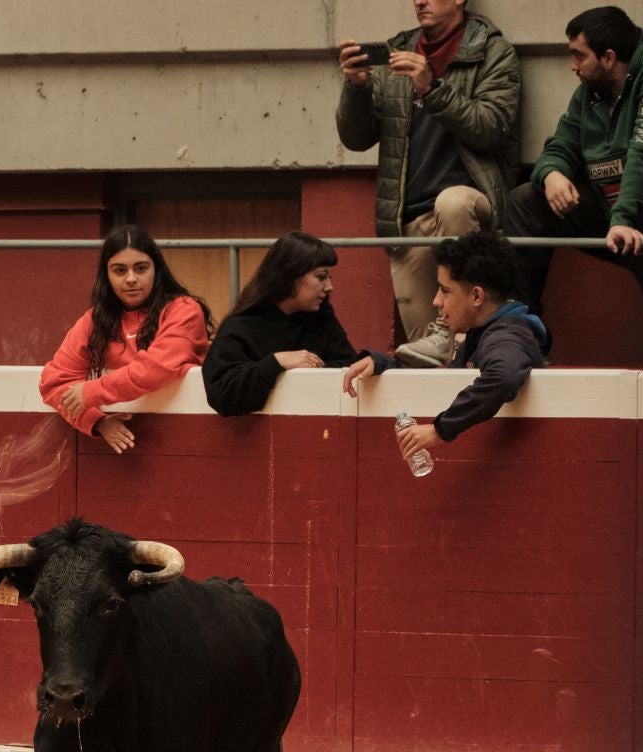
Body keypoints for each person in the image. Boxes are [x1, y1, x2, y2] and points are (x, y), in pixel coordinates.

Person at [503, 5, 643, 368]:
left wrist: (625, 217)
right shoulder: (590, 90)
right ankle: (522, 339)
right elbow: (561, 144)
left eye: (578, 55)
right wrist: (552, 174)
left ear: (609, 56)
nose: (573, 65)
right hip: (613, 219)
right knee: (525, 202)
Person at [336, 0, 520, 366]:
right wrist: (357, 87)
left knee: (452, 202)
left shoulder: (492, 50)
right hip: (409, 221)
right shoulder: (397, 52)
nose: (420, 1)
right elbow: (357, 139)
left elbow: (493, 126)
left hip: (467, 209)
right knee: (431, 360)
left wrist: (432, 88)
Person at [343, 229, 549, 459]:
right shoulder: (483, 334)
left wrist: (439, 430)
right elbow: (444, 378)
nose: (436, 301)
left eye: (445, 290)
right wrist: (380, 363)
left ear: (477, 297)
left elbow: (503, 377)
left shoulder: (506, 335)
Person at [37, 224, 212, 454]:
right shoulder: (94, 320)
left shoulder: (184, 311)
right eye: (120, 270)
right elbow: (54, 382)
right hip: (125, 457)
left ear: (156, 270)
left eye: (140, 268)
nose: (131, 279)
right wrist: (97, 421)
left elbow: (154, 370)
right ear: (107, 275)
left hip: (192, 440)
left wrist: (90, 392)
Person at [204, 232, 382, 416]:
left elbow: (346, 366)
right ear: (290, 276)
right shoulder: (241, 326)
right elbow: (222, 394)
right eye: (321, 277)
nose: (329, 287)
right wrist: (276, 362)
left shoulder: (322, 319)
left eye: (329, 278)